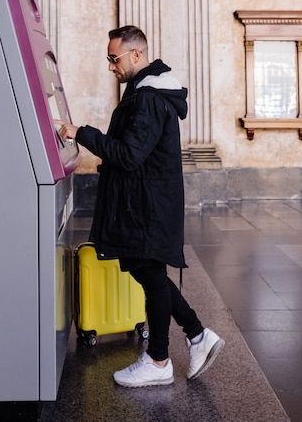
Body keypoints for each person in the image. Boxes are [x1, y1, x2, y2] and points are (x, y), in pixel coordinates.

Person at [57, 25, 224, 387]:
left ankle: (160, 360)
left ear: (136, 55)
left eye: (113, 59)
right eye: (108, 59)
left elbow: (130, 154)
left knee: (150, 275)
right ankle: (197, 335)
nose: (110, 66)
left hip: (146, 203)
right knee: (149, 273)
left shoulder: (147, 98)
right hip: (147, 200)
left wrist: (80, 132)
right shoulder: (145, 92)